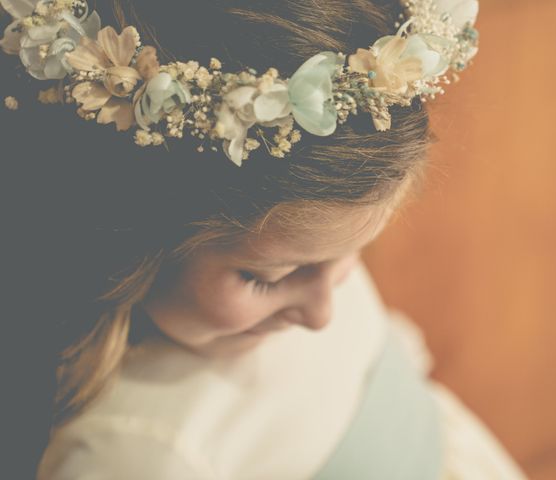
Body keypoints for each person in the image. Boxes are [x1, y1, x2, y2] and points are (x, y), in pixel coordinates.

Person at [1, 0, 528, 478]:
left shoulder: (310, 252)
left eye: (354, 257)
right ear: (129, 239)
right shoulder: (137, 453)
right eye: (266, 278)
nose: (325, 315)